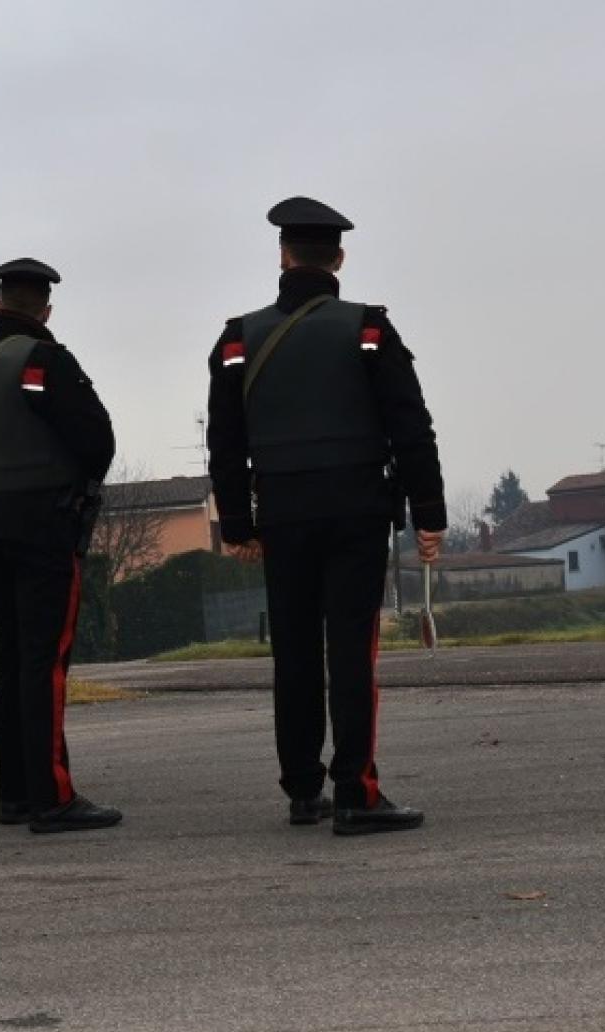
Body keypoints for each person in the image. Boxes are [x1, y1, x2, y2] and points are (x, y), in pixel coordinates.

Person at [205, 197, 446, 836]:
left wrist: (236, 524)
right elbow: (411, 428)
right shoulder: (368, 330)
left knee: (293, 652)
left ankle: (302, 791)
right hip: (357, 512)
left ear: (283, 256)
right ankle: (356, 792)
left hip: (282, 514)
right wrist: (430, 513)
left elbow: (225, 444)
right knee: (350, 650)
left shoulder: (237, 338)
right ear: (338, 259)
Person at [0, 258, 121, 834]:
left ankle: (16, 795)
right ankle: (53, 797)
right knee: (45, 663)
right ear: (44, 309)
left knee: (10, 660)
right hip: (46, 524)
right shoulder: (44, 360)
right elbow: (97, 441)